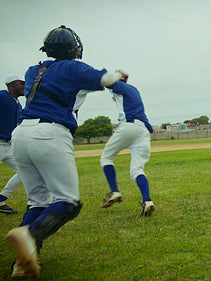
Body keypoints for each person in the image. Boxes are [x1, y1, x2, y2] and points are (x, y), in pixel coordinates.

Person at [5, 25, 127, 278]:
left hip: (21, 134)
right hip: (49, 134)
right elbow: (105, 79)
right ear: (74, 49)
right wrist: (118, 74)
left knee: (37, 200)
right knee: (68, 203)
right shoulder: (71, 67)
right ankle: (29, 235)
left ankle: (22, 261)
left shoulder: (32, 70)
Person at [100, 77, 155, 217]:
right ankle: (147, 201)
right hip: (143, 130)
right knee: (137, 169)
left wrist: (111, 77)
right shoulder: (133, 91)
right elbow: (119, 98)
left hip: (129, 125)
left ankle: (114, 191)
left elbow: (107, 81)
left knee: (106, 158)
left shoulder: (120, 86)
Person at [0, 75, 25, 214]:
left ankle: (1, 199)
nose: (24, 86)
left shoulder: (18, 104)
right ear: (12, 85)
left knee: (25, 171)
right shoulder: (2, 96)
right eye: (21, 84)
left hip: (8, 147)